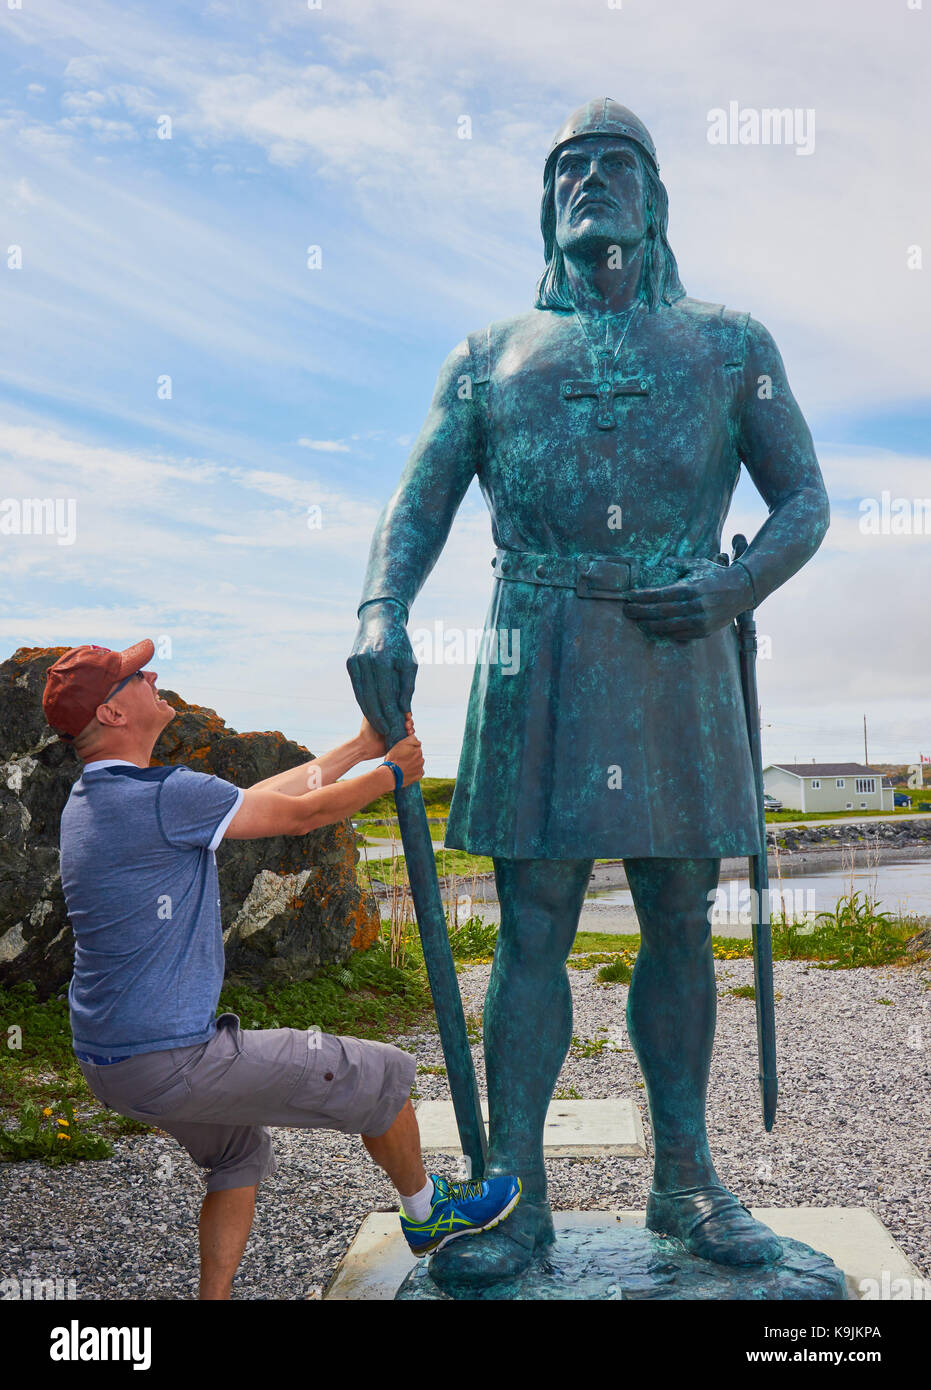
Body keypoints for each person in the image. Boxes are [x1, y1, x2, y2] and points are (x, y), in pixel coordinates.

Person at [348, 99, 830, 1289]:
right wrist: (379, 608)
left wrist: (732, 592)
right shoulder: (488, 355)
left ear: (654, 200)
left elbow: (804, 502)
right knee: (533, 927)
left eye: (617, 167)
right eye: (570, 169)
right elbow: (417, 503)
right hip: (537, 646)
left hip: (677, 645)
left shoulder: (729, 343)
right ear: (546, 200)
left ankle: (687, 1178)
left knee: (677, 915)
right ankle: (514, 1190)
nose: (592, 184)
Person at [42, 639, 520, 1299]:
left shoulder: (98, 800)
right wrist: (393, 774)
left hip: (108, 1060)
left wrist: (360, 748)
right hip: (170, 1056)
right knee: (380, 1075)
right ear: (114, 713)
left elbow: (263, 799)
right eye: (132, 675)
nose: (151, 674)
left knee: (236, 1155)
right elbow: (305, 815)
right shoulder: (159, 798)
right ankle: (426, 1210)